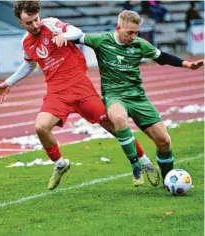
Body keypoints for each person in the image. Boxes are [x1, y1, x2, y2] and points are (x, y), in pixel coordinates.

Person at [0, 1, 158, 190]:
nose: (35, 25)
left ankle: (144, 163)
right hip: (57, 93)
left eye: (36, 19)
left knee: (115, 127)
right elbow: (30, 64)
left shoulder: (52, 24)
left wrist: (64, 35)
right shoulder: (26, 42)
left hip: (80, 88)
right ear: (21, 24)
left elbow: (78, 33)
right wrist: (9, 82)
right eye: (29, 22)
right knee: (40, 127)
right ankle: (60, 164)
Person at [79, 10, 204, 183]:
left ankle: (169, 179)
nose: (133, 36)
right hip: (114, 95)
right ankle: (136, 165)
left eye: (136, 32)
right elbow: (76, 35)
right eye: (130, 32)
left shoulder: (139, 44)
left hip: (138, 97)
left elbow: (163, 57)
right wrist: (58, 34)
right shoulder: (101, 40)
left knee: (164, 142)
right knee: (119, 118)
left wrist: (188, 65)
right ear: (118, 27)